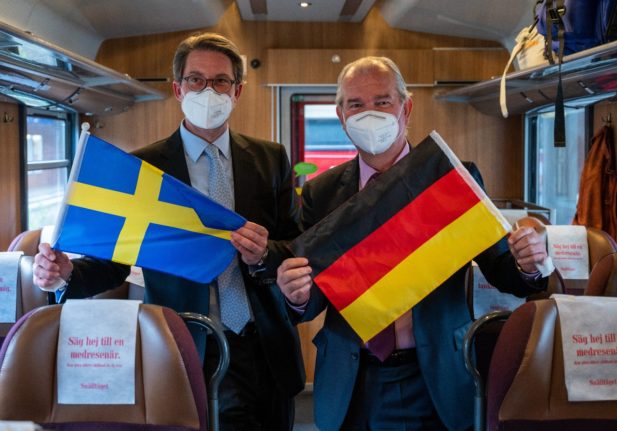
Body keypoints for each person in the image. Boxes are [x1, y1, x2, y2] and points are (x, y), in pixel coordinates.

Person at [34, 32, 304, 431]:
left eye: (220, 81)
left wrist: (265, 254)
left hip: (261, 344)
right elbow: (115, 263)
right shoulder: (146, 168)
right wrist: (66, 275)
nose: (208, 90)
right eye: (196, 79)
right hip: (183, 343)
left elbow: (294, 246)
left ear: (238, 91)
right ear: (178, 88)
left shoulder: (270, 159)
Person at [276, 56, 550, 431]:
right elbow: (317, 298)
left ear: (407, 107)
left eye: (382, 101)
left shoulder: (451, 178)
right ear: (340, 115)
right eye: (355, 104)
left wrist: (529, 265)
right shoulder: (321, 193)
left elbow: (505, 273)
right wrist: (297, 295)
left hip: (434, 371)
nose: (368, 113)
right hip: (353, 378)